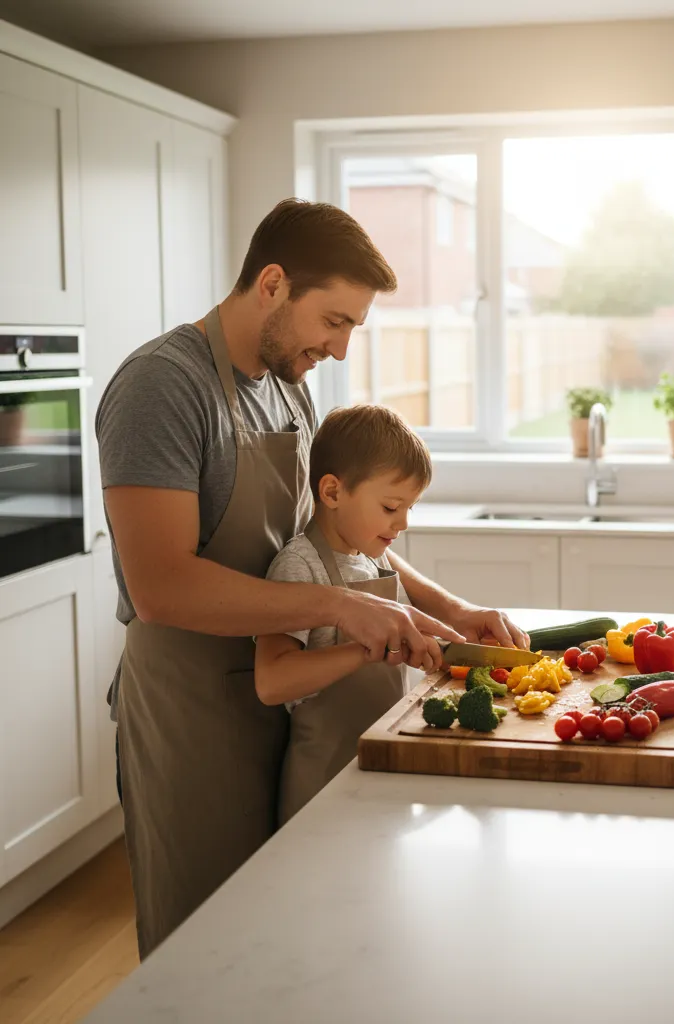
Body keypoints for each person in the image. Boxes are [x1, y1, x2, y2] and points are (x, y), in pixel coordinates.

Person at [96, 199, 528, 958]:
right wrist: (341, 606)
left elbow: (333, 535)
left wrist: (451, 608)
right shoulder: (162, 387)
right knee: (201, 948)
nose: (339, 347)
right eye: (334, 321)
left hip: (286, 695)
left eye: (352, 327)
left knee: (281, 940)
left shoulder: (286, 384)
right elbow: (160, 586)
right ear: (272, 285)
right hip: (193, 709)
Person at [257, 404, 454, 823]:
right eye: (390, 507)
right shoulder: (299, 566)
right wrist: (366, 650)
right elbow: (272, 681)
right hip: (321, 782)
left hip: (380, 765)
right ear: (332, 493)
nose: (403, 523)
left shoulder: (372, 560)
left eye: (410, 508)